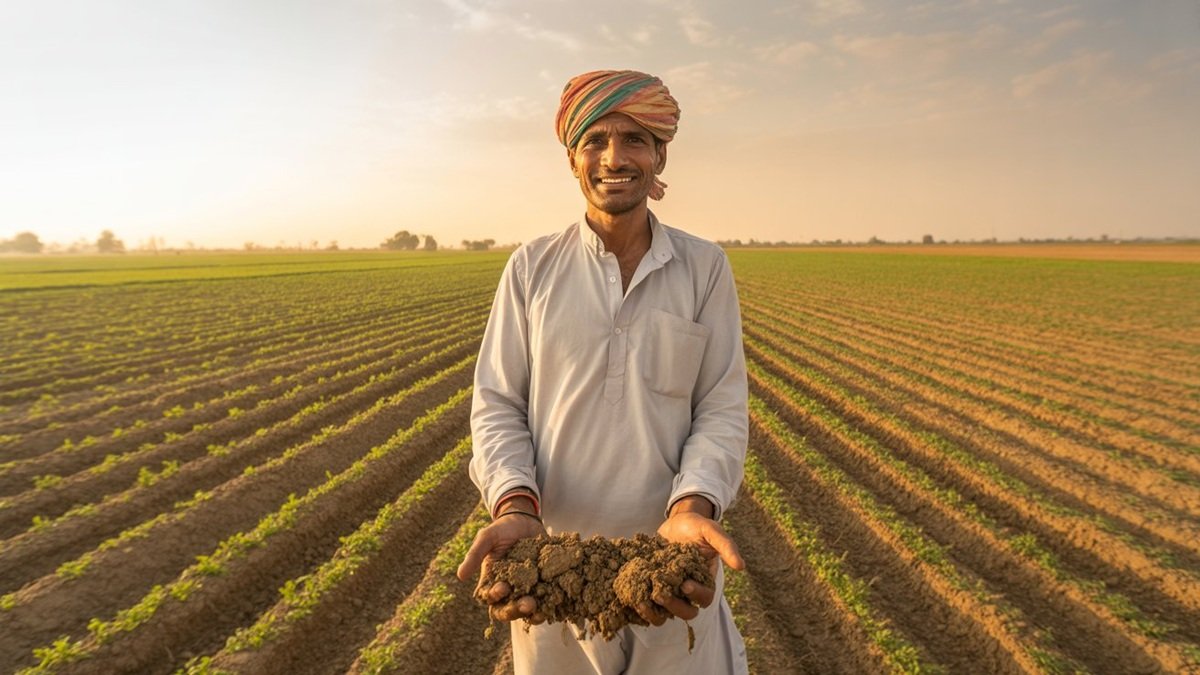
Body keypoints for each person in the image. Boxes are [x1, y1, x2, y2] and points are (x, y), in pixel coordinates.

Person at [456, 69, 749, 674]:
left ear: (659, 154)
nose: (614, 156)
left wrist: (692, 507)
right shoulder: (532, 268)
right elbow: (498, 405)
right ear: (573, 159)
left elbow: (720, 407)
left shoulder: (704, 268)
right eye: (595, 140)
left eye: (634, 139)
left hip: (668, 566)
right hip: (555, 570)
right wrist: (515, 506)